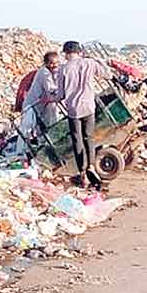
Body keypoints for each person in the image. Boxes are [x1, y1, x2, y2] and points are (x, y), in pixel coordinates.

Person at [49, 41, 111, 189]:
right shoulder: (89, 63)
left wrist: (52, 98)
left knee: (77, 140)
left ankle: (82, 171)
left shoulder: (63, 69)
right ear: (79, 51)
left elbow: (61, 95)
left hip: (74, 111)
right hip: (89, 107)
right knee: (89, 137)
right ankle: (91, 166)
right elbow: (107, 74)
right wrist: (99, 60)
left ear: (66, 53)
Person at [16, 52, 61, 153]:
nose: (55, 65)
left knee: (46, 127)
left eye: (57, 62)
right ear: (46, 63)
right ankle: (19, 153)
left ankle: (45, 149)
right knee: (26, 130)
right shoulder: (44, 73)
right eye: (52, 63)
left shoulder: (53, 72)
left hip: (42, 105)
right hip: (32, 105)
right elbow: (51, 90)